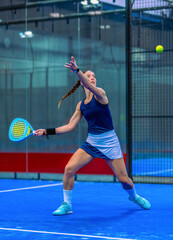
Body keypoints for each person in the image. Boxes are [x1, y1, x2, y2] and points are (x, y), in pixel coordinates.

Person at [35, 56, 151, 216]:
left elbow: (89, 85)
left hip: (110, 142)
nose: (92, 78)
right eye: (89, 76)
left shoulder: (101, 95)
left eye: (94, 76)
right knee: (69, 169)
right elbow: (69, 126)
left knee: (124, 180)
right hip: (91, 143)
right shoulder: (80, 105)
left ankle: (134, 196)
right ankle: (67, 205)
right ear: (82, 82)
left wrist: (77, 70)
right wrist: (46, 131)